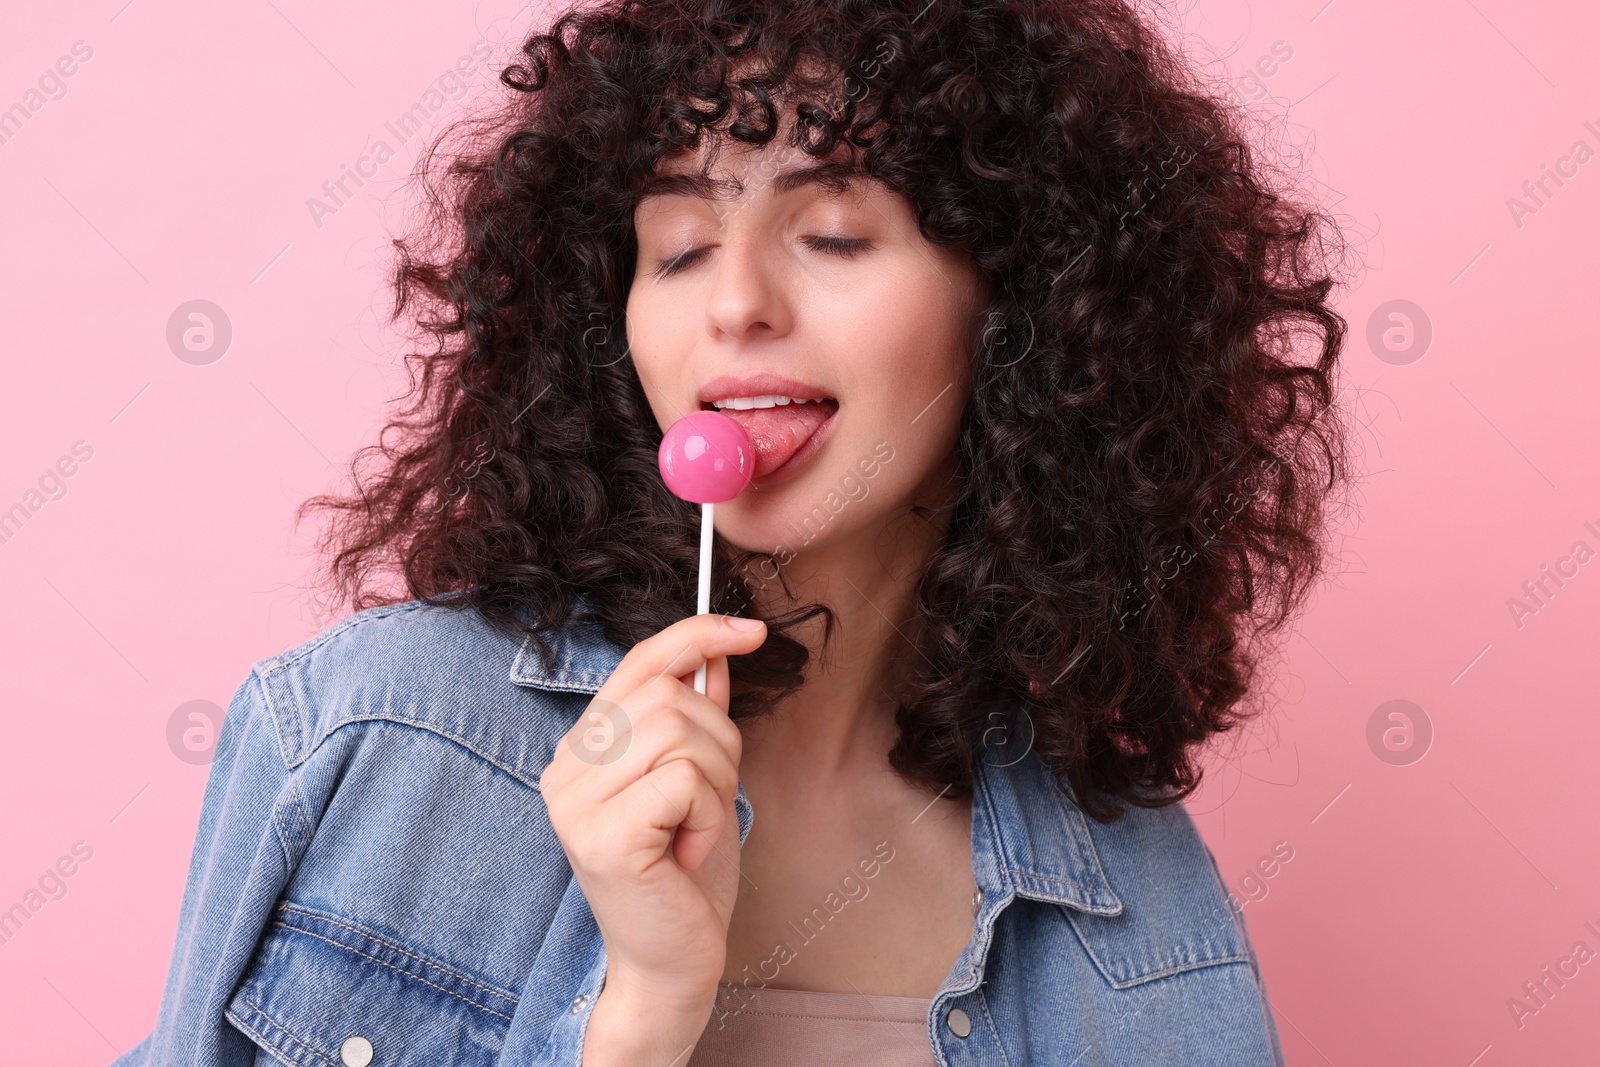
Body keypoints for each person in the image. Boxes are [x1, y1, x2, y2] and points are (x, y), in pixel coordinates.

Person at [111, 0, 1350, 1064]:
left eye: (833, 236)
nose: (738, 304)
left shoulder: (1143, 910)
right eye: (681, 247)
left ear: (1026, 308)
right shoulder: (381, 736)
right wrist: (640, 1010)